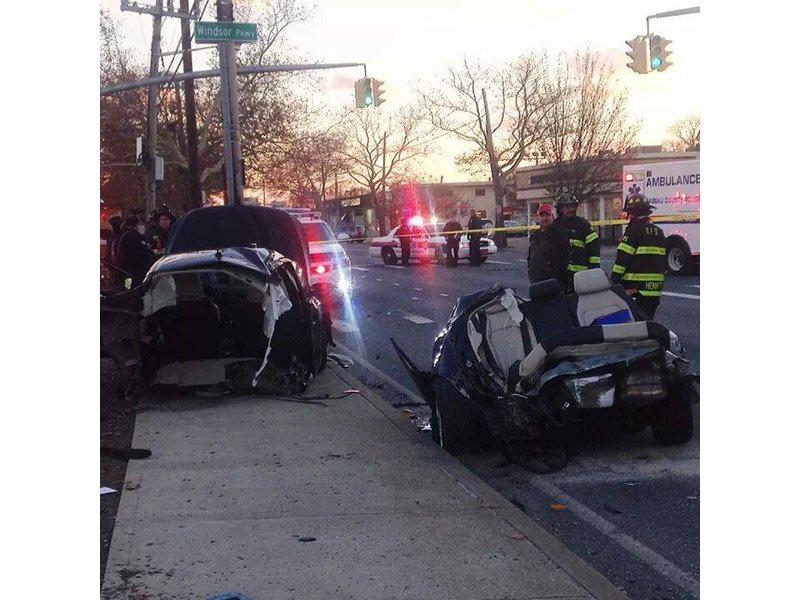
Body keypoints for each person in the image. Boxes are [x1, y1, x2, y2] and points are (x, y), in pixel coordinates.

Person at [611, 193, 667, 320]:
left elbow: (622, 259)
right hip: (655, 289)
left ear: (632, 213)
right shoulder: (659, 232)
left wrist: (614, 280)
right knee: (648, 321)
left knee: (636, 325)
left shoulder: (633, 231)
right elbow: (663, 261)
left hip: (635, 288)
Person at [552, 192, 600, 292]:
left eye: (573, 206)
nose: (571, 210)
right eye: (568, 207)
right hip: (561, 276)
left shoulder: (583, 225)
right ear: (561, 208)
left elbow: (594, 249)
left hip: (581, 276)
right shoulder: (555, 225)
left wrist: (594, 271)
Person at [527, 204, 570, 289]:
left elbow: (565, 259)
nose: (545, 218)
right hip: (536, 281)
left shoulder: (559, 235)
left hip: (553, 282)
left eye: (547, 215)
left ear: (552, 217)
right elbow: (531, 256)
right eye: (542, 215)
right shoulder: (535, 235)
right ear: (538, 218)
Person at [117, 215, 155, 288]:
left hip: (126, 274)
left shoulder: (122, 237)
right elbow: (146, 253)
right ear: (137, 224)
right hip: (137, 274)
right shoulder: (136, 237)